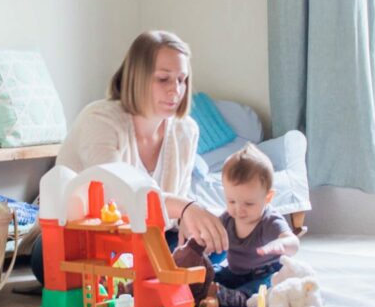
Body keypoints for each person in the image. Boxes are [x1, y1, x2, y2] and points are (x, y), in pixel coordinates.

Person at [29, 30, 228, 283]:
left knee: (217, 245)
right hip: (84, 236)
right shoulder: (100, 120)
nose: (175, 90)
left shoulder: (186, 130)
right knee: (48, 258)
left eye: (182, 80)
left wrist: (191, 226)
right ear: (138, 78)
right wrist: (185, 207)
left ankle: (141, 275)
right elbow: (114, 198)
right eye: (164, 79)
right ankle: (139, 275)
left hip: (146, 237)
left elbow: (172, 212)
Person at [209, 143, 301, 307]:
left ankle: (236, 298)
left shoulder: (270, 221)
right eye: (231, 201)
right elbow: (211, 234)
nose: (238, 209)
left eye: (249, 203)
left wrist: (281, 244)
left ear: (268, 197)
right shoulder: (228, 218)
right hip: (234, 271)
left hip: (265, 273)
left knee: (263, 290)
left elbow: (294, 244)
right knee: (210, 273)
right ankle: (211, 290)